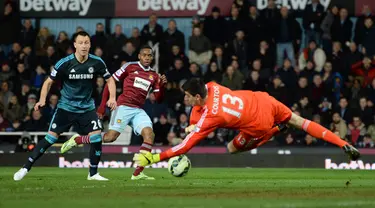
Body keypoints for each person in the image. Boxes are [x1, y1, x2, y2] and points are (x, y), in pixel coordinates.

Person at [133, 78, 360, 166]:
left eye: (188, 96)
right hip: (263, 99)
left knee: (231, 148)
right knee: (300, 121)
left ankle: (272, 133)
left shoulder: (212, 115)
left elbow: (186, 146)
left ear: (198, 97)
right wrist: (194, 123)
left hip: (258, 123)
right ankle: (342, 143)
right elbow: (199, 110)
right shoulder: (211, 85)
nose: (185, 99)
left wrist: (155, 157)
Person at [13, 31, 117, 181]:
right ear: (75, 45)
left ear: (90, 45)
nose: (84, 45)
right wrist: (42, 100)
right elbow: (48, 82)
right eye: (80, 42)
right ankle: (25, 168)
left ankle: (93, 174)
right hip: (65, 108)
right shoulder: (64, 63)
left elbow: (110, 80)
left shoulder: (97, 62)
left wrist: (112, 97)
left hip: (87, 108)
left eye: (86, 42)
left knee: (96, 138)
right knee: (50, 138)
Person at [61, 45, 167, 180]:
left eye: (149, 55)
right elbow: (110, 82)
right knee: (110, 137)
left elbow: (159, 99)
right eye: (144, 55)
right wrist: (102, 106)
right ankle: (77, 139)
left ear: (152, 58)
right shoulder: (129, 67)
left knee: (149, 135)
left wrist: (162, 87)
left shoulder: (154, 75)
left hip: (138, 110)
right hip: (123, 107)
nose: (147, 57)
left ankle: (138, 173)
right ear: (139, 56)